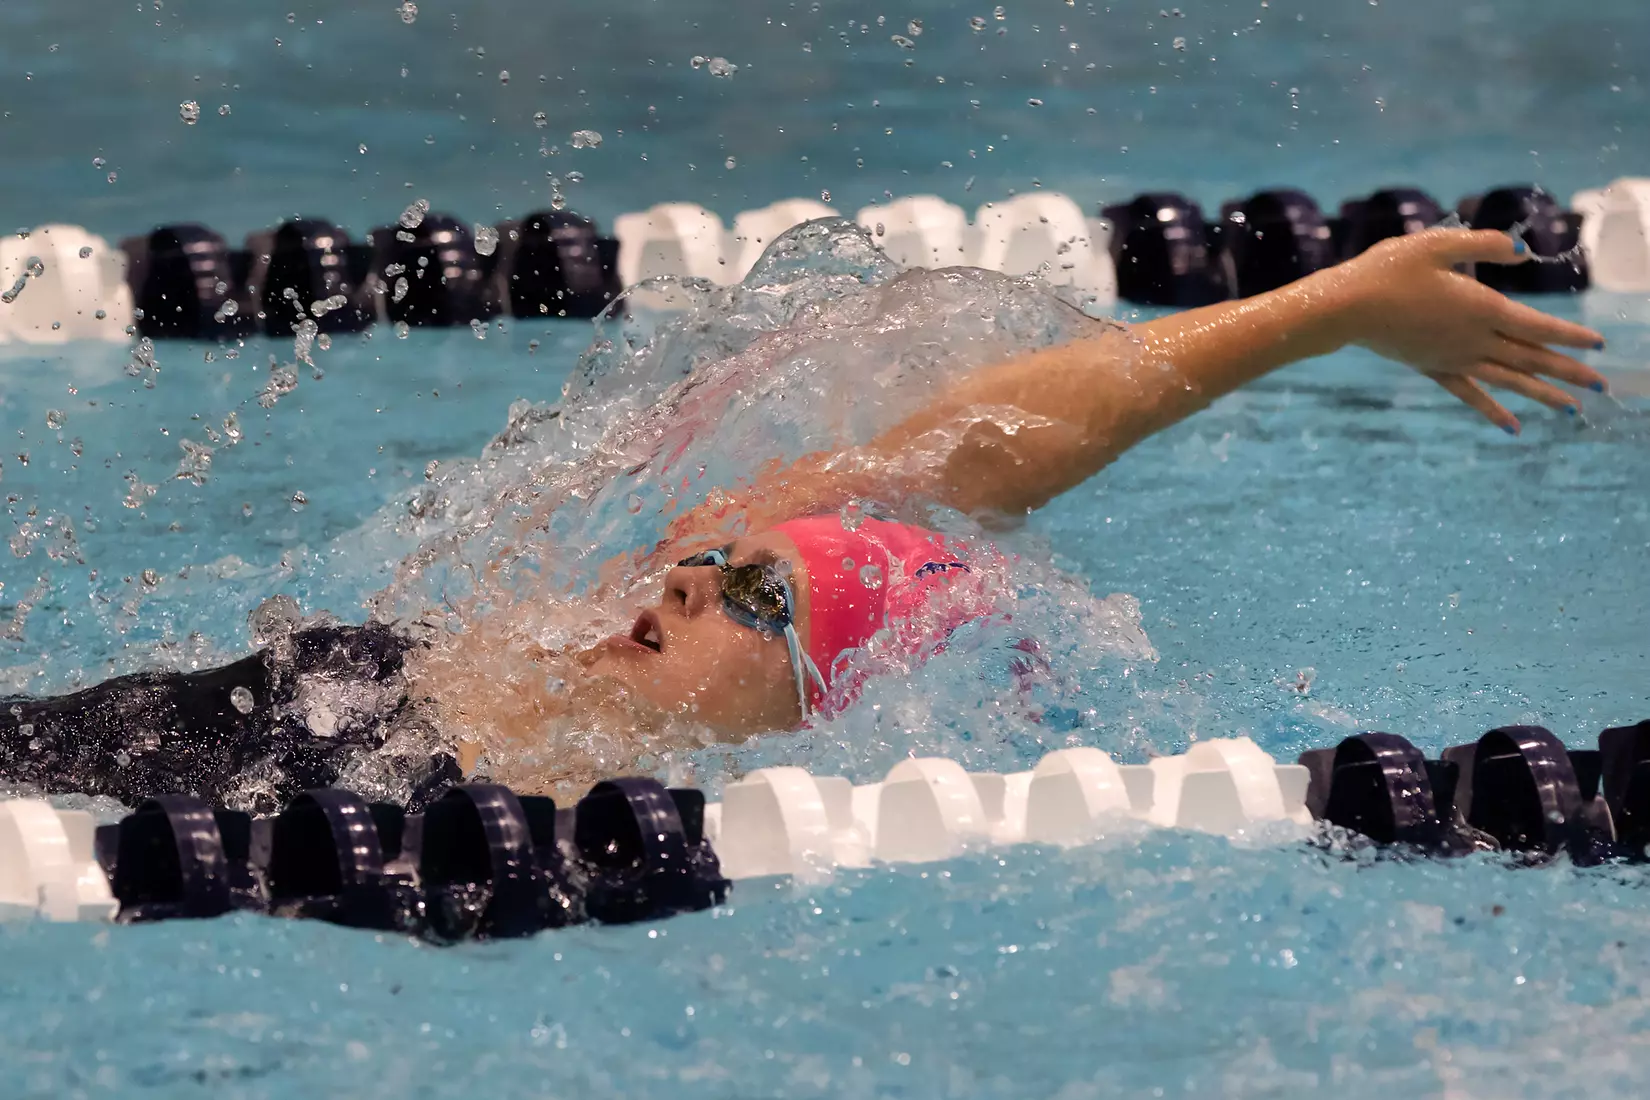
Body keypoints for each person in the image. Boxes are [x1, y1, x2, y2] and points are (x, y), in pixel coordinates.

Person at [0, 228, 1608, 811]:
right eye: (712, 568)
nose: (692, 585)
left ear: (817, 717)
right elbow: (976, 449)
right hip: (221, 738)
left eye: (758, 605)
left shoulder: (642, 818)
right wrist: (1316, 311)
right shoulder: (478, 666)